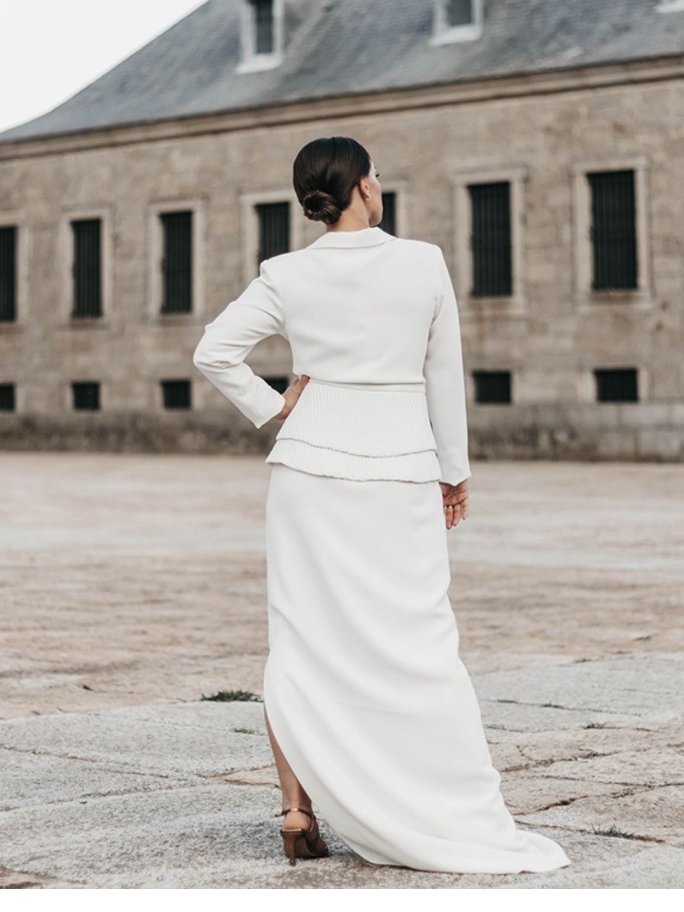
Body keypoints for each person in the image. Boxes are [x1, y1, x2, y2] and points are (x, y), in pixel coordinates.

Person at [193, 136, 570, 874]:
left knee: (302, 638)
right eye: (378, 176)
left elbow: (213, 351)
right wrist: (453, 473)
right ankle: (432, 798)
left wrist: (274, 407)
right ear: (366, 187)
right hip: (400, 466)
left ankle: (296, 809)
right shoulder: (422, 261)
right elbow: (442, 374)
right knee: (418, 639)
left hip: (309, 468)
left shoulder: (286, 273)